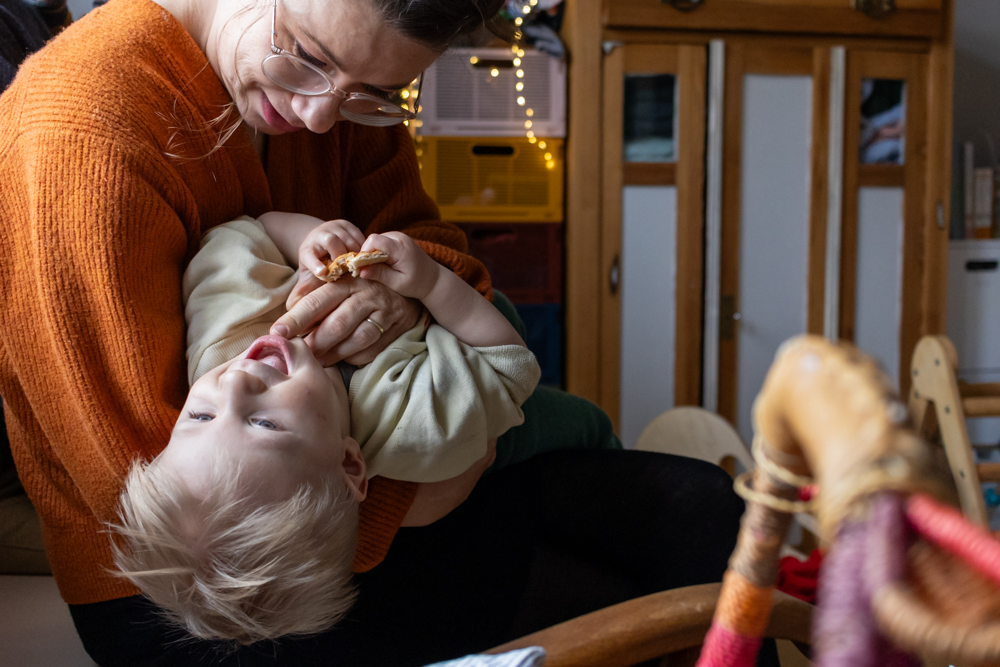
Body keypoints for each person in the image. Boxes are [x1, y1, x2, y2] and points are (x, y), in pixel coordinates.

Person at [0, 0, 748, 663]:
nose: (321, 118)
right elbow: (145, 494)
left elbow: (428, 238)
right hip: (208, 591)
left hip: (353, 480)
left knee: (705, 511)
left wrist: (409, 299)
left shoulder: (340, 85)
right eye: (307, 56)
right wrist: (436, 473)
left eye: (375, 94)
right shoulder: (80, 133)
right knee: (651, 594)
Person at [113, 214, 541, 644]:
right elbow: (508, 368)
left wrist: (310, 241)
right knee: (582, 425)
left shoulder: (225, 333)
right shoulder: (414, 427)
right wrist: (430, 284)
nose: (236, 382)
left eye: (200, 417)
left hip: (453, 288)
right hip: (479, 331)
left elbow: (243, 231)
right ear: (350, 465)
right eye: (264, 423)